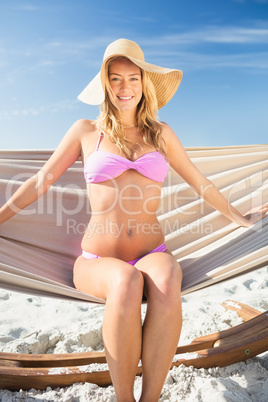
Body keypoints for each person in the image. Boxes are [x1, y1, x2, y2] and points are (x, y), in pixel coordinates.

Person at [0, 38, 267, 401]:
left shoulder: (161, 134)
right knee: (125, 281)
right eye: (115, 79)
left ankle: (150, 398)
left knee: (168, 274)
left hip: (151, 249)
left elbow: (200, 182)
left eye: (132, 79)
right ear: (105, 84)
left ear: (144, 85)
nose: (125, 87)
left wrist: (240, 216)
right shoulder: (85, 132)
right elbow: (40, 180)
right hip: (97, 261)